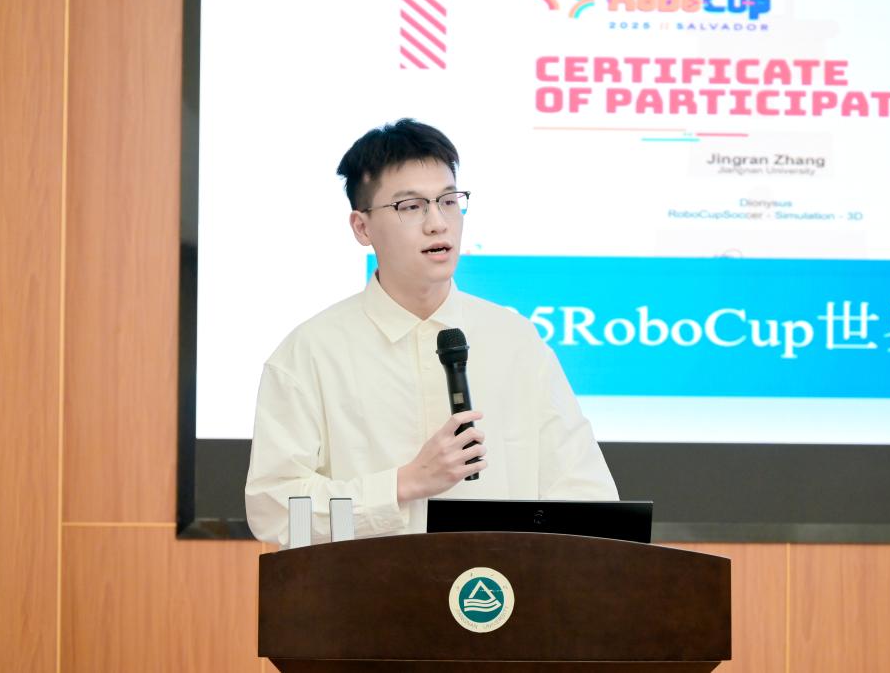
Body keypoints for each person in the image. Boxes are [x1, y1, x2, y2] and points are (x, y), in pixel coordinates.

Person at [245, 119, 617, 546]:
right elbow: (275, 509)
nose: (438, 223)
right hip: (369, 586)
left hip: (501, 585)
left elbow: (586, 494)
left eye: (449, 200)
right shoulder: (311, 352)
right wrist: (402, 484)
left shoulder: (514, 340)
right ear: (362, 227)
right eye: (411, 206)